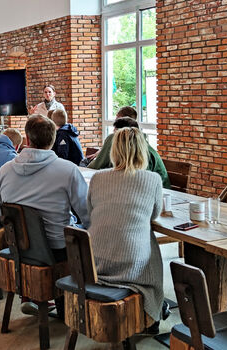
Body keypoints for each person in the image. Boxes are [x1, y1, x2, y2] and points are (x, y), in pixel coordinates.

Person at [0, 114, 89, 316]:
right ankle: (70, 308)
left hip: (18, 248)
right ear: (53, 140)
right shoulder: (67, 170)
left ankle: (30, 296)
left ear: (27, 140)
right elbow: (87, 215)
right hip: (57, 250)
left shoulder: (4, 170)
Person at [86, 126, 169, 330]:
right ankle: (154, 311)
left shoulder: (98, 177)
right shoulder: (152, 180)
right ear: (143, 151)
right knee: (149, 241)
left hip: (94, 260)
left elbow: (90, 211)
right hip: (130, 263)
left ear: (114, 150)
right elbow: (155, 214)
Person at [89, 113, 171, 189]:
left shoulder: (143, 153)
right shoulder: (135, 149)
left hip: (163, 193)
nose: (113, 138)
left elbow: (140, 181)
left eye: (116, 134)